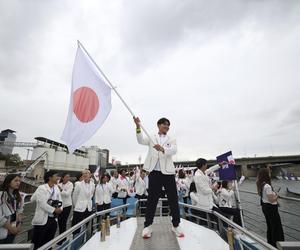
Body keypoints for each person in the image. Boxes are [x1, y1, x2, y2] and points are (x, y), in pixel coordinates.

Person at [133, 117, 184, 238]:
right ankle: (148, 226)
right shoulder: (151, 137)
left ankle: (176, 225)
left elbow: (174, 150)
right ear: (159, 125)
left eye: (168, 125)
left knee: (173, 198)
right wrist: (138, 126)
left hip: (168, 172)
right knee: (152, 199)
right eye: (165, 125)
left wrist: (162, 149)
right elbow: (140, 140)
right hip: (154, 172)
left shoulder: (171, 138)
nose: (167, 127)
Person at [31, 170, 63, 249]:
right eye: (56, 176)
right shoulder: (42, 188)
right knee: (38, 242)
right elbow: (42, 203)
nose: (58, 178)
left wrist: (60, 209)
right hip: (43, 219)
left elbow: (60, 200)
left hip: (53, 218)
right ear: (50, 177)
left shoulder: (56, 188)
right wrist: (54, 210)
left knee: (49, 241)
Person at [257, 168, 284, 247]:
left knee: (270, 226)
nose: (270, 174)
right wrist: (277, 195)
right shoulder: (267, 186)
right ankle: (277, 245)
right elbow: (272, 200)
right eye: (269, 173)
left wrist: (272, 193)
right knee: (276, 227)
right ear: (266, 175)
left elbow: (261, 195)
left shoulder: (261, 184)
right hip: (271, 208)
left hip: (265, 207)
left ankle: (271, 243)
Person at [0, 174, 24, 243]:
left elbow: (20, 211)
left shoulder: (18, 196)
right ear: (8, 182)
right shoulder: (1, 195)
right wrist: (11, 229)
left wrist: (19, 225)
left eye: (19, 181)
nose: (18, 183)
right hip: (3, 230)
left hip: (13, 229)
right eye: (16, 180)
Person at [72, 169, 95, 234]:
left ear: (90, 175)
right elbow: (74, 196)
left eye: (87, 173)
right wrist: (76, 205)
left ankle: (89, 238)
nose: (85, 174)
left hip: (89, 207)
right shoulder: (78, 184)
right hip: (79, 207)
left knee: (89, 225)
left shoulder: (93, 185)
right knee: (77, 226)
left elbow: (91, 195)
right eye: (84, 173)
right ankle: (76, 240)